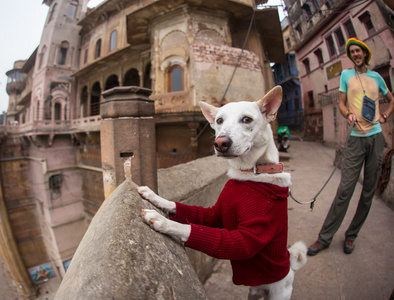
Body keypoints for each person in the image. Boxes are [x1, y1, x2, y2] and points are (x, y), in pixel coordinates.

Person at [308, 38, 394, 256]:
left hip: (376, 138)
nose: (356, 54)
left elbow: (391, 99)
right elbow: (342, 103)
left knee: (368, 192)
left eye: (358, 51)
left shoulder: (376, 77)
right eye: (352, 52)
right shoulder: (346, 75)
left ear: (365, 54)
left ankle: (352, 234)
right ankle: (324, 238)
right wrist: (348, 114)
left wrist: (385, 115)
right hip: (355, 138)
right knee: (345, 189)